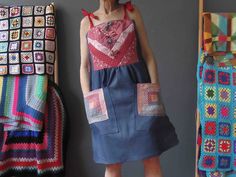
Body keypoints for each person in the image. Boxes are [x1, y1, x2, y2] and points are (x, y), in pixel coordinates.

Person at [79, 0, 179, 177]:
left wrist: (154, 91)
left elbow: (148, 55)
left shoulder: (131, 13)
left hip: (138, 95)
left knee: (151, 157)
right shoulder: (87, 22)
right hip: (105, 101)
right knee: (112, 164)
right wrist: (89, 101)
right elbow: (84, 67)